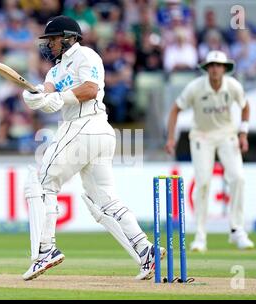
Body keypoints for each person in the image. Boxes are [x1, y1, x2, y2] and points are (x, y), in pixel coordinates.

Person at [21, 15, 165, 281]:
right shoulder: (55, 70)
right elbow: (49, 91)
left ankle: (45, 250)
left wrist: (57, 98)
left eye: (52, 39)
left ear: (68, 38)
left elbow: (90, 88)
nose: (49, 45)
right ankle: (146, 251)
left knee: (42, 182)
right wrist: (36, 97)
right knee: (102, 201)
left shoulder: (86, 56)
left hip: (86, 125)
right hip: (95, 134)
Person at [165, 50, 254, 251]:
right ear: (207, 69)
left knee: (238, 178)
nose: (214, 69)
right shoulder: (195, 87)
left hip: (227, 136)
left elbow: (245, 106)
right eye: (211, 65)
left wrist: (243, 133)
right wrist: (171, 138)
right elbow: (175, 110)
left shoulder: (233, 86)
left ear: (224, 68)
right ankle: (200, 236)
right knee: (203, 182)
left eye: (218, 65)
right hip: (201, 137)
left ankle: (237, 230)